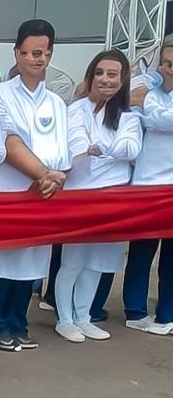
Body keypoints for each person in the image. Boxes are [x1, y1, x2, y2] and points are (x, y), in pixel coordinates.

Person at [0, 19, 71, 352]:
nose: (36, 59)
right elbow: (9, 144)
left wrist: (56, 176)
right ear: (16, 54)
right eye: (29, 52)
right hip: (9, 192)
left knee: (32, 264)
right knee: (5, 262)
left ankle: (19, 322)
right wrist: (45, 175)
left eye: (43, 53)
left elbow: (64, 150)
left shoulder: (57, 103)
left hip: (44, 196)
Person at [54, 51, 141, 343]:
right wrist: (103, 147)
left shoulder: (128, 116)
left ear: (122, 79)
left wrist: (103, 146)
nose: (105, 79)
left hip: (113, 197)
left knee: (98, 263)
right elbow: (74, 146)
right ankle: (64, 319)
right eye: (100, 72)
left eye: (112, 74)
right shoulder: (74, 110)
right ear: (91, 75)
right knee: (73, 261)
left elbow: (131, 148)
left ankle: (84, 316)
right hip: (80, 196)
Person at [125, 43, 173, 333]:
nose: (166, 69)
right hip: (145, 184)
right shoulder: (150, 90)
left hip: (171, 188)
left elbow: (162, 119)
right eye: (164, 62)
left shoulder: (148, 100)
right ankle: (135, 310)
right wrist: (143, 100)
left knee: (171, 257)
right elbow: (130, 107)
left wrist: (145, 107)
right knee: (141, 252)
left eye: (171, 64)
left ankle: (167, 314)